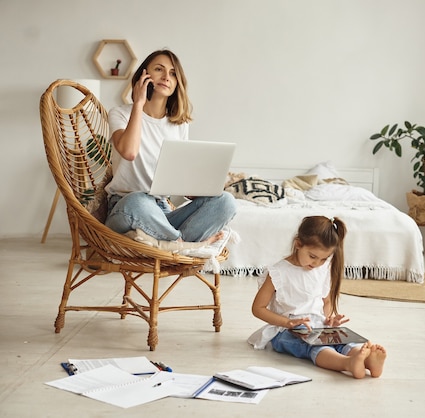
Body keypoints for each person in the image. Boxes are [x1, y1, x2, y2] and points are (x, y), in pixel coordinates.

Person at [104, 49, 236, 244]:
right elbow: (129, 152)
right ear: (144, 75)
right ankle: (185, 246)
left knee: (226, 202)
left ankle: (169, 243)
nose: (166, 77)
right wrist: (139, 103)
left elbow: (180, 183)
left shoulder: (179, 125)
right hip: (127, 207)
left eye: (173, 73)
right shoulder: (120, 114)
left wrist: (202, 186)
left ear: (177, 83)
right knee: (137, 201)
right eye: (159, 69)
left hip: (162, 212)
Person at [248, 216, 386, 379]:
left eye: (323, 259)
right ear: (298, 244)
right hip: (286, 330)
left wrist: (329, 321)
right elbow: (258, 308)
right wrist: (287, 323)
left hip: (319, 326)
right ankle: (348, 364)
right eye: (313, 256)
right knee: (315, 347)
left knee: (343, 341)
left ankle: (367, 361)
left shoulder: (322, 269)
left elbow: (325, 301)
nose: (317, 263)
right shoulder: (278, 272)